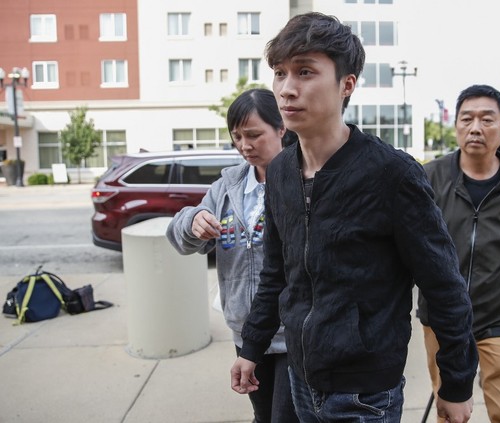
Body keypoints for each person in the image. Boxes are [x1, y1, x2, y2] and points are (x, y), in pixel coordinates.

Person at [230, 12, 478, 423]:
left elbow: (444, 285)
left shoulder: (392, 173)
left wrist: (456, 383)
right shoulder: (279, 172)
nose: (287, 89)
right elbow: (279, 273)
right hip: (300, 377)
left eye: (305, 72)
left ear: (347, 84)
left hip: (365, 393)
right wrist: (252, 347)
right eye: (279, 73)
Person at [417, 84, 500, 423]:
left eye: (487, 119)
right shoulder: (429, 177)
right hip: (443, 318)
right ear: (456, 125)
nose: (475, 128)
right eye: (467, 119)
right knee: (450, 411)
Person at [166, 88, 299, 423]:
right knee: (263, 415)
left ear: (281, 127)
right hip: (244, 328)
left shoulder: (303, 179)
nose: (244, 145)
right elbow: (182, 240)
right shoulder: (228, 186)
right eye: (237, 136)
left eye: (254, 135)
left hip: (292, 332)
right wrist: (192, 222)